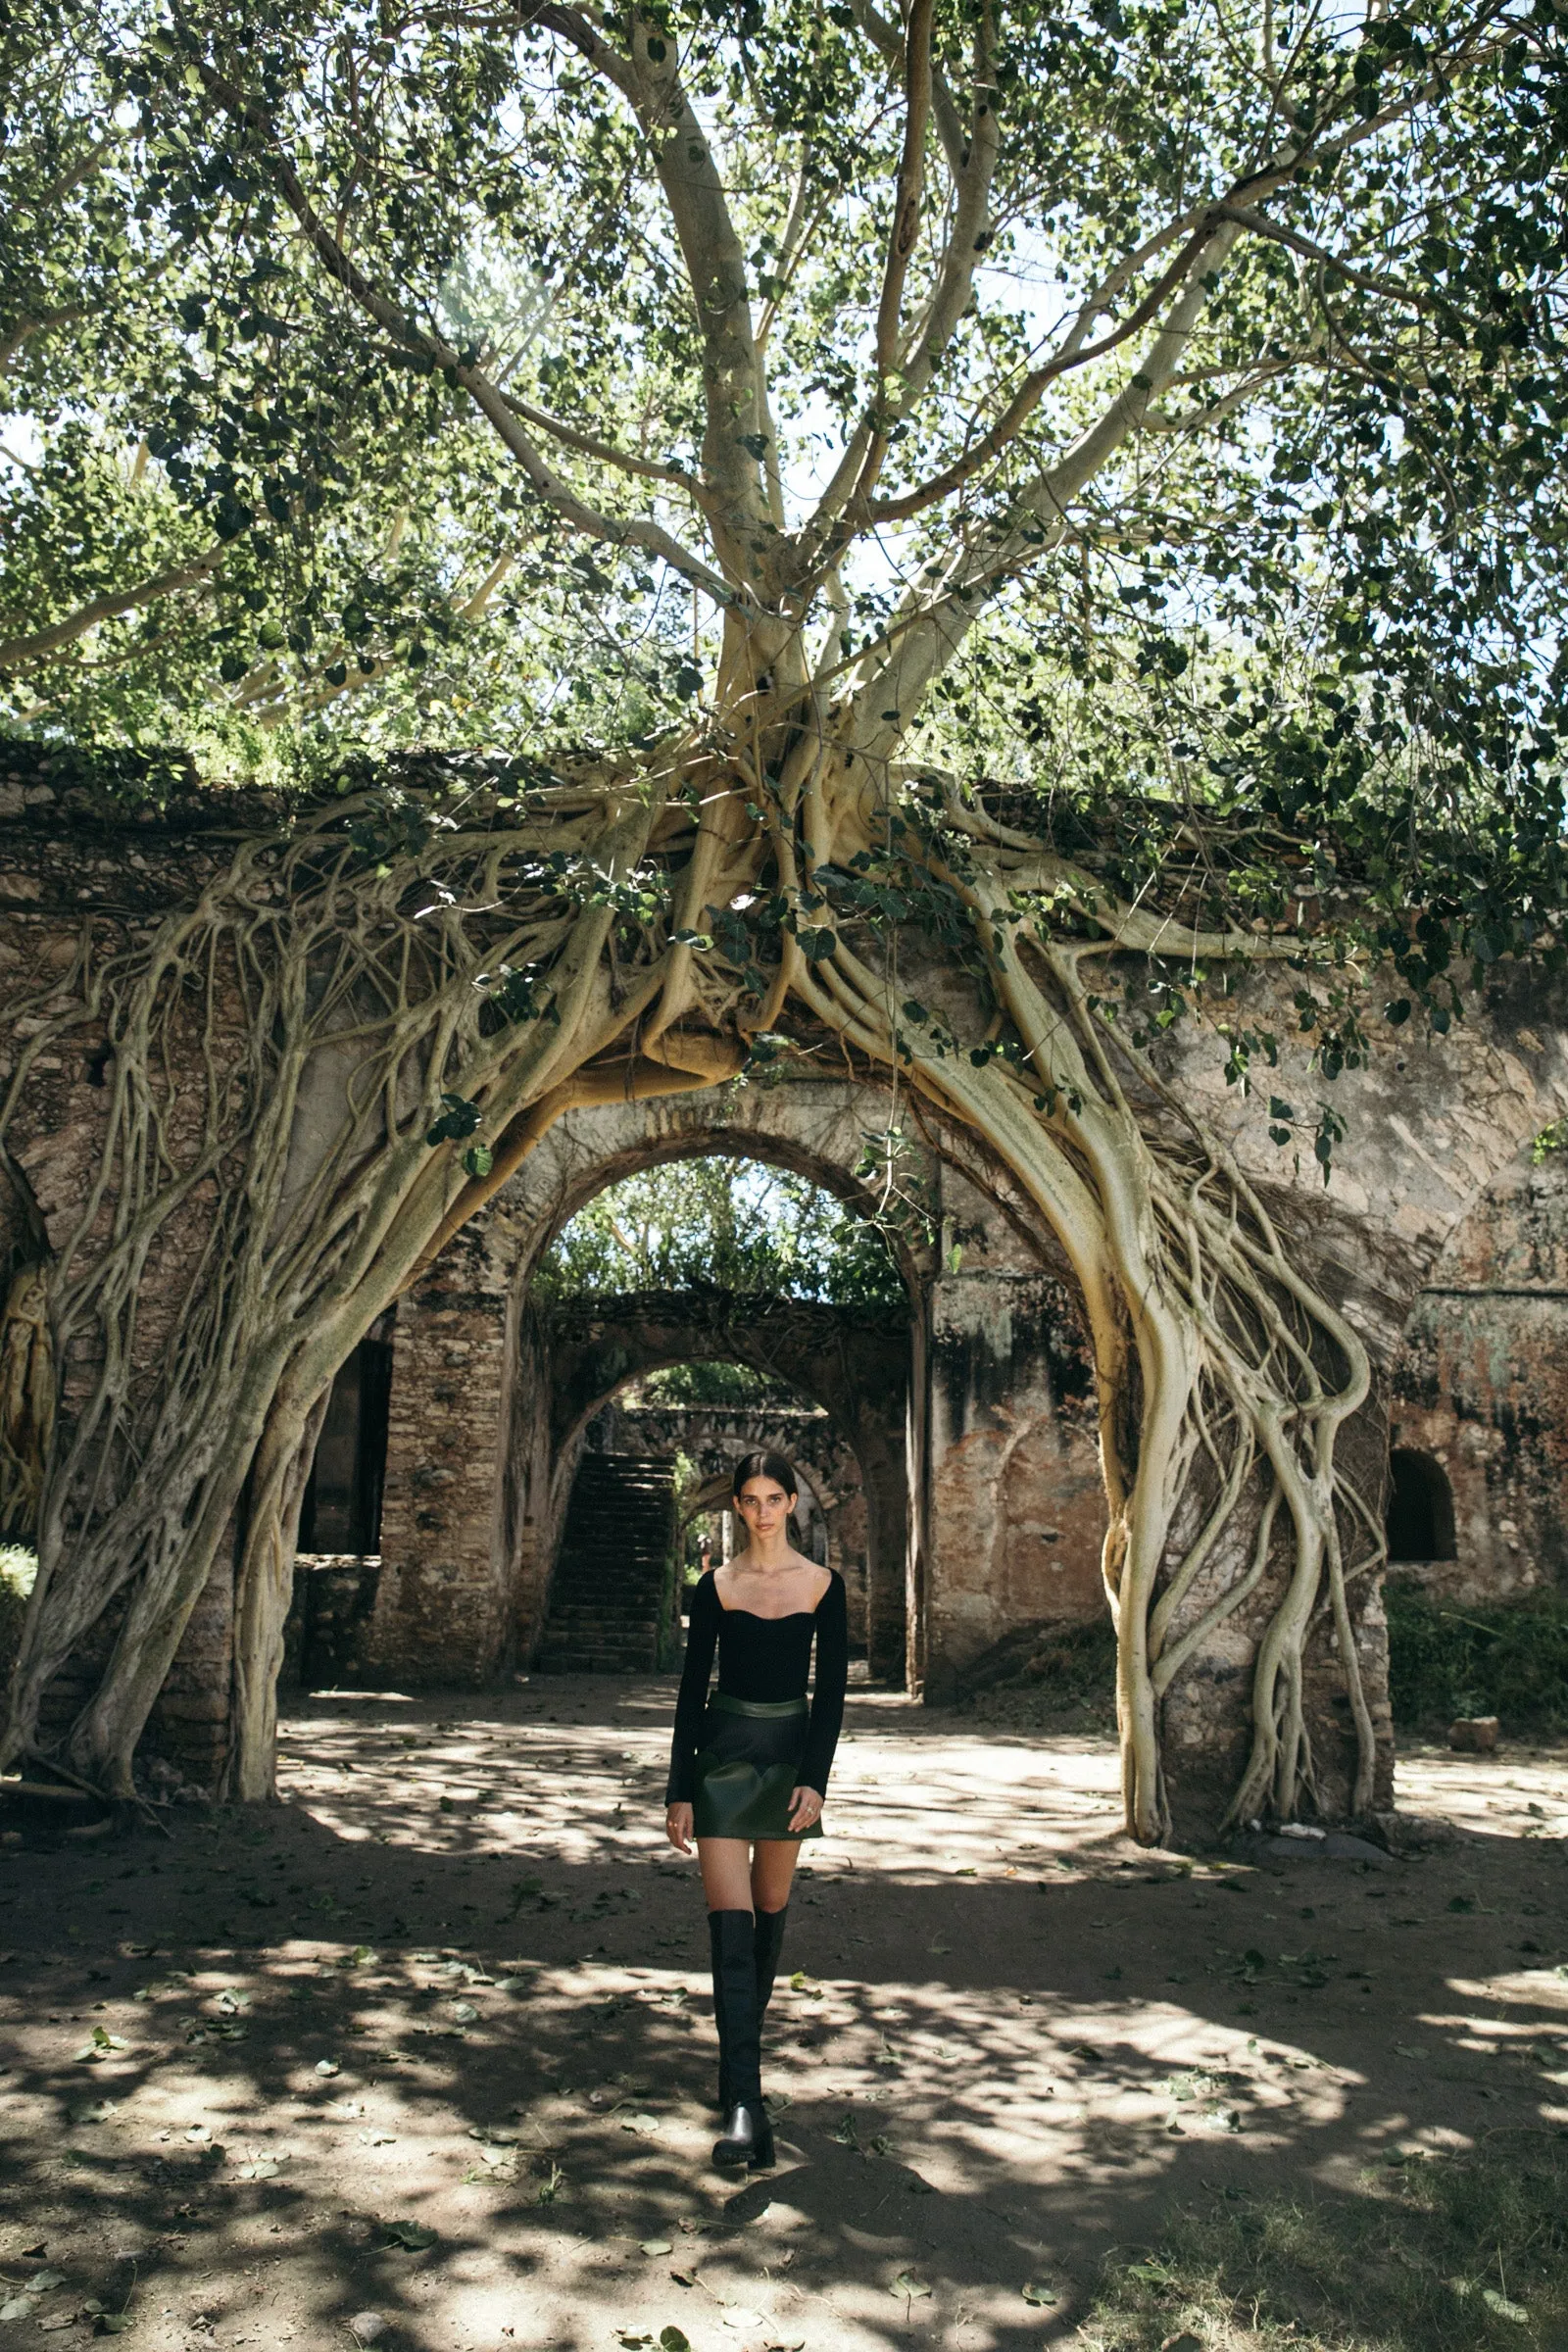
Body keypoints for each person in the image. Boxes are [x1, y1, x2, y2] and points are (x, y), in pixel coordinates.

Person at [664, 1450, 848, 2173]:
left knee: (771, 1912)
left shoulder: (823, 1586)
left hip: (788, 1761)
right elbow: (689, 1689)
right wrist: (679, 1788)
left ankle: (737, 2066)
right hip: (722, 1761)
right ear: (737, 1507)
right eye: (752, 1499)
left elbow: (831, 1695)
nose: (765, 1511)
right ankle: (748, 2106)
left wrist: (816, 1780)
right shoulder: (717, 1585)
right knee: (730, 1928)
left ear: (793, 1503)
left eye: (776, 1498)